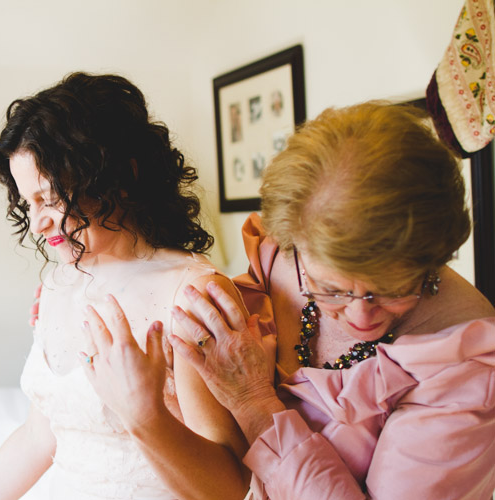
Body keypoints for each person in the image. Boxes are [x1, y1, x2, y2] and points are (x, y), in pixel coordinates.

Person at [84, 101, 495, 499]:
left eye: (393, 289)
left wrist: (254, 403)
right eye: (331, 289)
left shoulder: (467, 369)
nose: (361, 314)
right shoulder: (278, 256)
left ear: (434, 258)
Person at [0, 72, 251, 500]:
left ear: (118, 177)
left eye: (50, 199)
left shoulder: (190, 294)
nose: (37, 223)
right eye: (27, 203)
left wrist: (146, 416)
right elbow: (41, 437)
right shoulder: (58, 284)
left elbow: (229, 488)